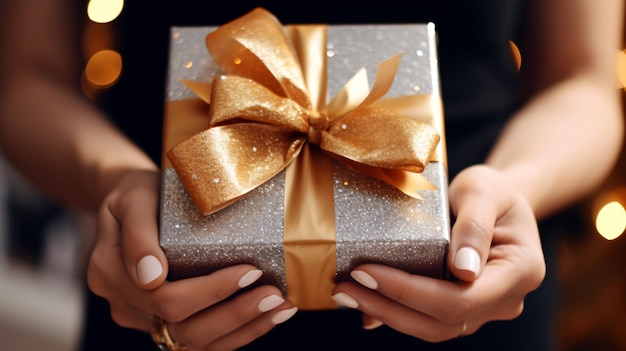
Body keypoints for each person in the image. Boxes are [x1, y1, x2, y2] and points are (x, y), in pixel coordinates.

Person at [0, 0, 623, 350]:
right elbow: (24, 76)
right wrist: (117, 182)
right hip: (165, 251)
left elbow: (585, 82)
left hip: (470, 265)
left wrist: (515, 185)